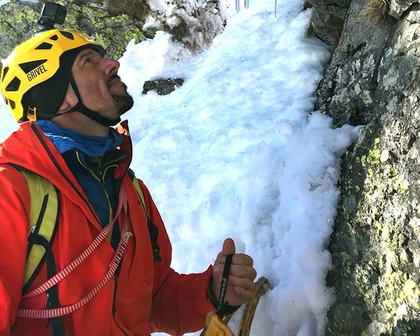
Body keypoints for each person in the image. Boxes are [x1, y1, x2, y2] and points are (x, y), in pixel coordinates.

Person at [0, 24, 256, 336]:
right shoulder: (10, 192)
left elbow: (150, 300)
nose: (112, 64)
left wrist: (212, 292)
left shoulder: (129, 189)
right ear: (59, 98)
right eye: (88, 62)